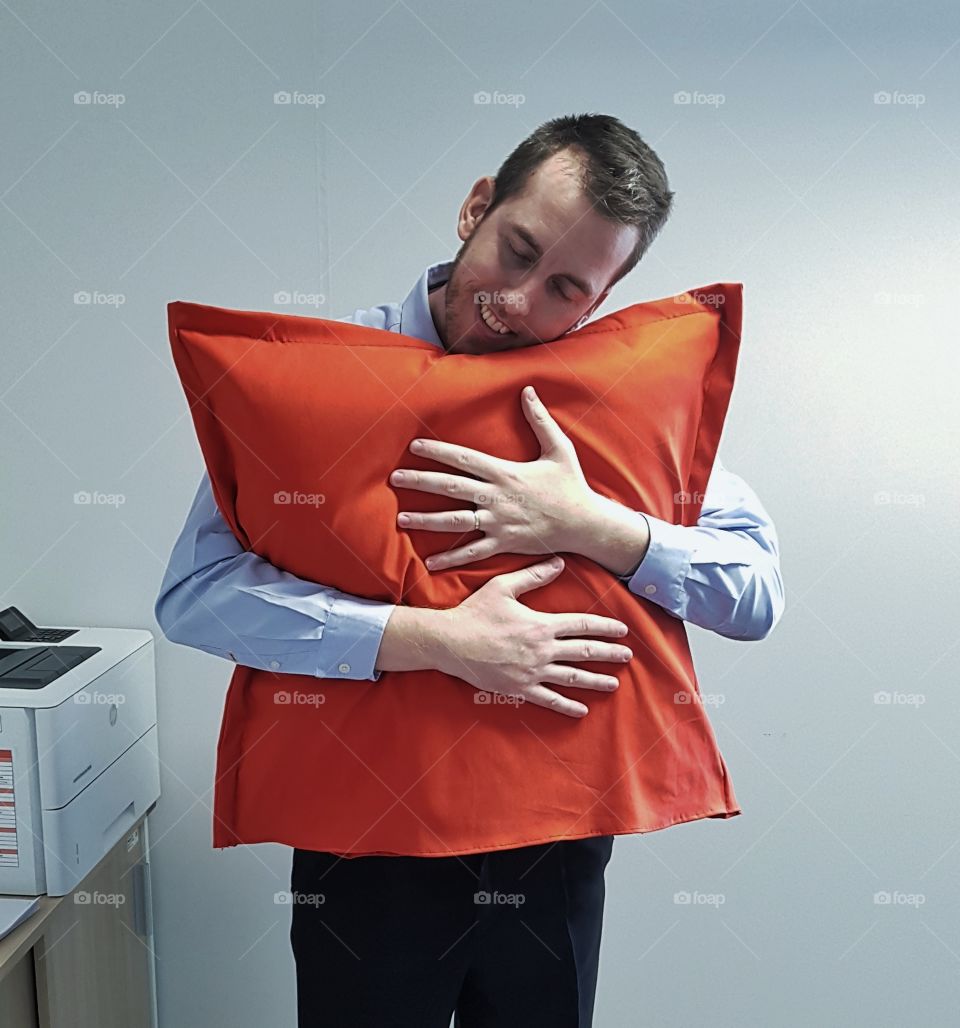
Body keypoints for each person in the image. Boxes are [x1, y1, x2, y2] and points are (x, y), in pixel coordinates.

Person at [155, 113, 784, 1027]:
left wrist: (594, 523)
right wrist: (434, 641)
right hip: (363, 847)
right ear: (475, 207)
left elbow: (756, 595)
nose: (520, 302)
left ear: (601, 300)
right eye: (516, 250)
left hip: (554, 845)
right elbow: (195, 597)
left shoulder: (608, 410)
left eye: (566, 286)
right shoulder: (320, 382)